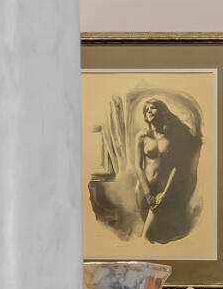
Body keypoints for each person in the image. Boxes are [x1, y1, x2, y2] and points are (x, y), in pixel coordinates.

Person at [87, 87, 205, 246]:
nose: (149, 111)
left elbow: (175, 168)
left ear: (161, 111)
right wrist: (148, 194)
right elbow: (138, 166)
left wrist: (163, 194)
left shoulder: (170, 137)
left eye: (153, 108)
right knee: (143, 230)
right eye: (146, 109)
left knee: (154, 231)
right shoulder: (141, 136)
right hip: (143, 189)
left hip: (164, 189)